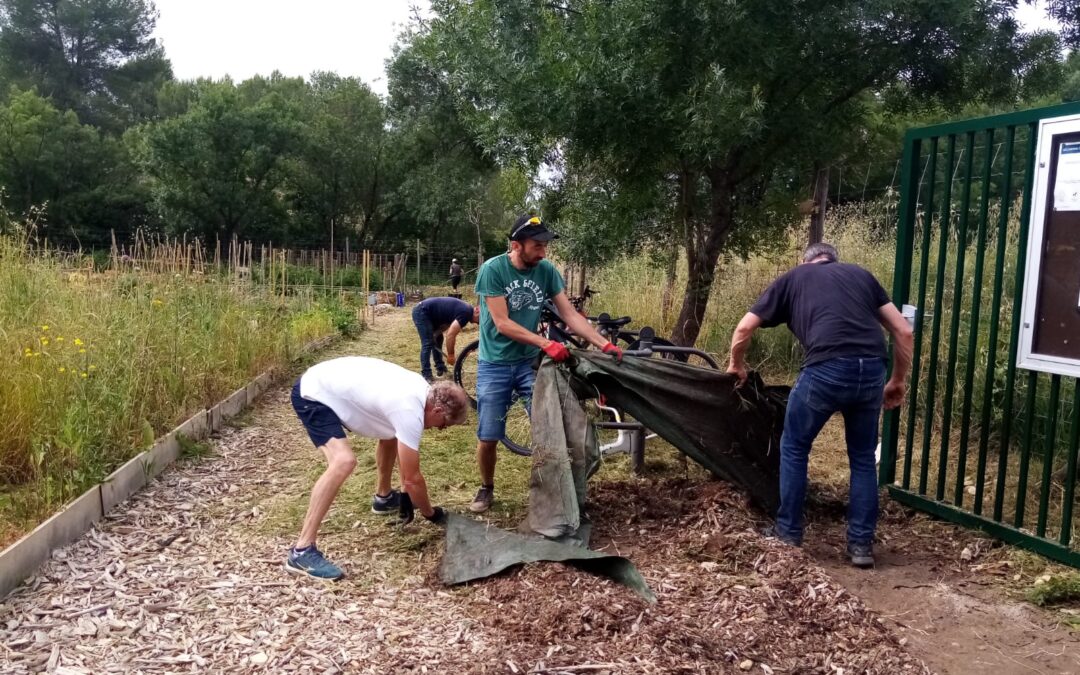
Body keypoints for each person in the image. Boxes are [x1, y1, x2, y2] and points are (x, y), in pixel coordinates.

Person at [726, 242, 913, 568]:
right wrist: (897, 381)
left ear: (806, 261)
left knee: (795, 447)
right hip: (871, 370)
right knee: (863, 458)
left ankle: (788, 533)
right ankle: (861, 545)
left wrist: (736, 365)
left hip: (826, 368)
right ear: (834, 260)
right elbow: (904, 331)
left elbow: (744, 328)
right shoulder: (861, 276)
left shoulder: (794, 277)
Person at [469, 214, 623, 513]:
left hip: (530, 364)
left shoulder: (547, 271)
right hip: (495, 365)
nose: (543, 252)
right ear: (517, 245)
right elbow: (502, 323)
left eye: (545, 245)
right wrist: (545, 343)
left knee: (550, 428)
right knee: (489, 436)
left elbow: (570, 315)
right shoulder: (493, 270)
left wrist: (602, 343)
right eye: (537, 246)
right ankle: (487, 487)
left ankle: (555, 490)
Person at [286, 356, 470, 580]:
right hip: (313, 393)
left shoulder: (422, 391)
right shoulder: (409, 410)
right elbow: (412, 479)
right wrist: (430, 513)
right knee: (343, 461)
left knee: (391, 433)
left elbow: (403, 449)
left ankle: (383, 497)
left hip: (328, 379)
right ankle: (302, 550)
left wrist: (405, 492)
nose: (440, 430)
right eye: (444, 425)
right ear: (438, 411)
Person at [411, 297, 480, 382]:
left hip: (428, 313)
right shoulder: (466, 313)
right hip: (422, 311)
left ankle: (441, 369)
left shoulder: (466, 310)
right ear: (477, 311)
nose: (479, 323)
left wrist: (436, 333)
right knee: (427, 343)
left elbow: (447, 324)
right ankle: (426, 375)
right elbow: (450, 335)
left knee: (438, 339)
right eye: (480, 319)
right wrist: (451, 355)